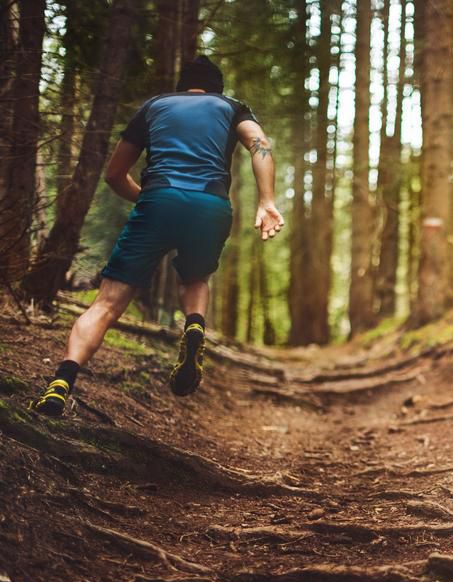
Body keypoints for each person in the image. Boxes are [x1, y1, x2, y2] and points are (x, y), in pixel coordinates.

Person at [31, 56, 283, 416]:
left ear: (183, 86)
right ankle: (194, 326)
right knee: (196, 277)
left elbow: (115, 174)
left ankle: (61, 382)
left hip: (157, 199)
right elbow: (260, 144)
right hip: (209, 205)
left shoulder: (154, 107)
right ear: (217, 88)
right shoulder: (231, 108)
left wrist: (152, 198)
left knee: (107, 304)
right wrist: (267, 200)